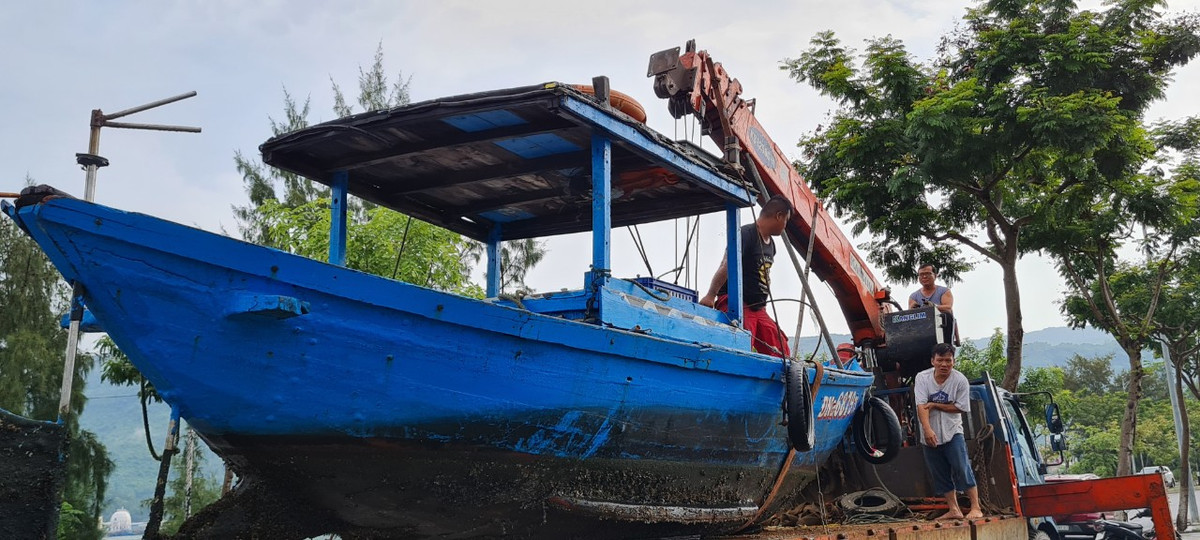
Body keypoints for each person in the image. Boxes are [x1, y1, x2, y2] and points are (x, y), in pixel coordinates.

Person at [698, 196, 792, 358]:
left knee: (780, 350)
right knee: (740, 344)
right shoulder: (746, 234)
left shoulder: (771, 245)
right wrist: (711, 295)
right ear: (779, 216)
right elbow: (727, 264)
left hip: (759, 308)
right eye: (786, 220)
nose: (785, 226)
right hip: (739, 303)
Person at [915, 343, 982, 520]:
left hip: (953, 433)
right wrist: (927, 430)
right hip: (929, 435)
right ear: (933, 361)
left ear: (953, 362)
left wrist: (936, 405)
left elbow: (961, 407)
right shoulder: (922, 378)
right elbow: (921, 406)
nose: (944, 364)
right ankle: (954, 509)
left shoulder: (960, 380)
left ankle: (976, 507)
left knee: (961, 467)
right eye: (940, 360)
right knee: (939, 472)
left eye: (948, 360)